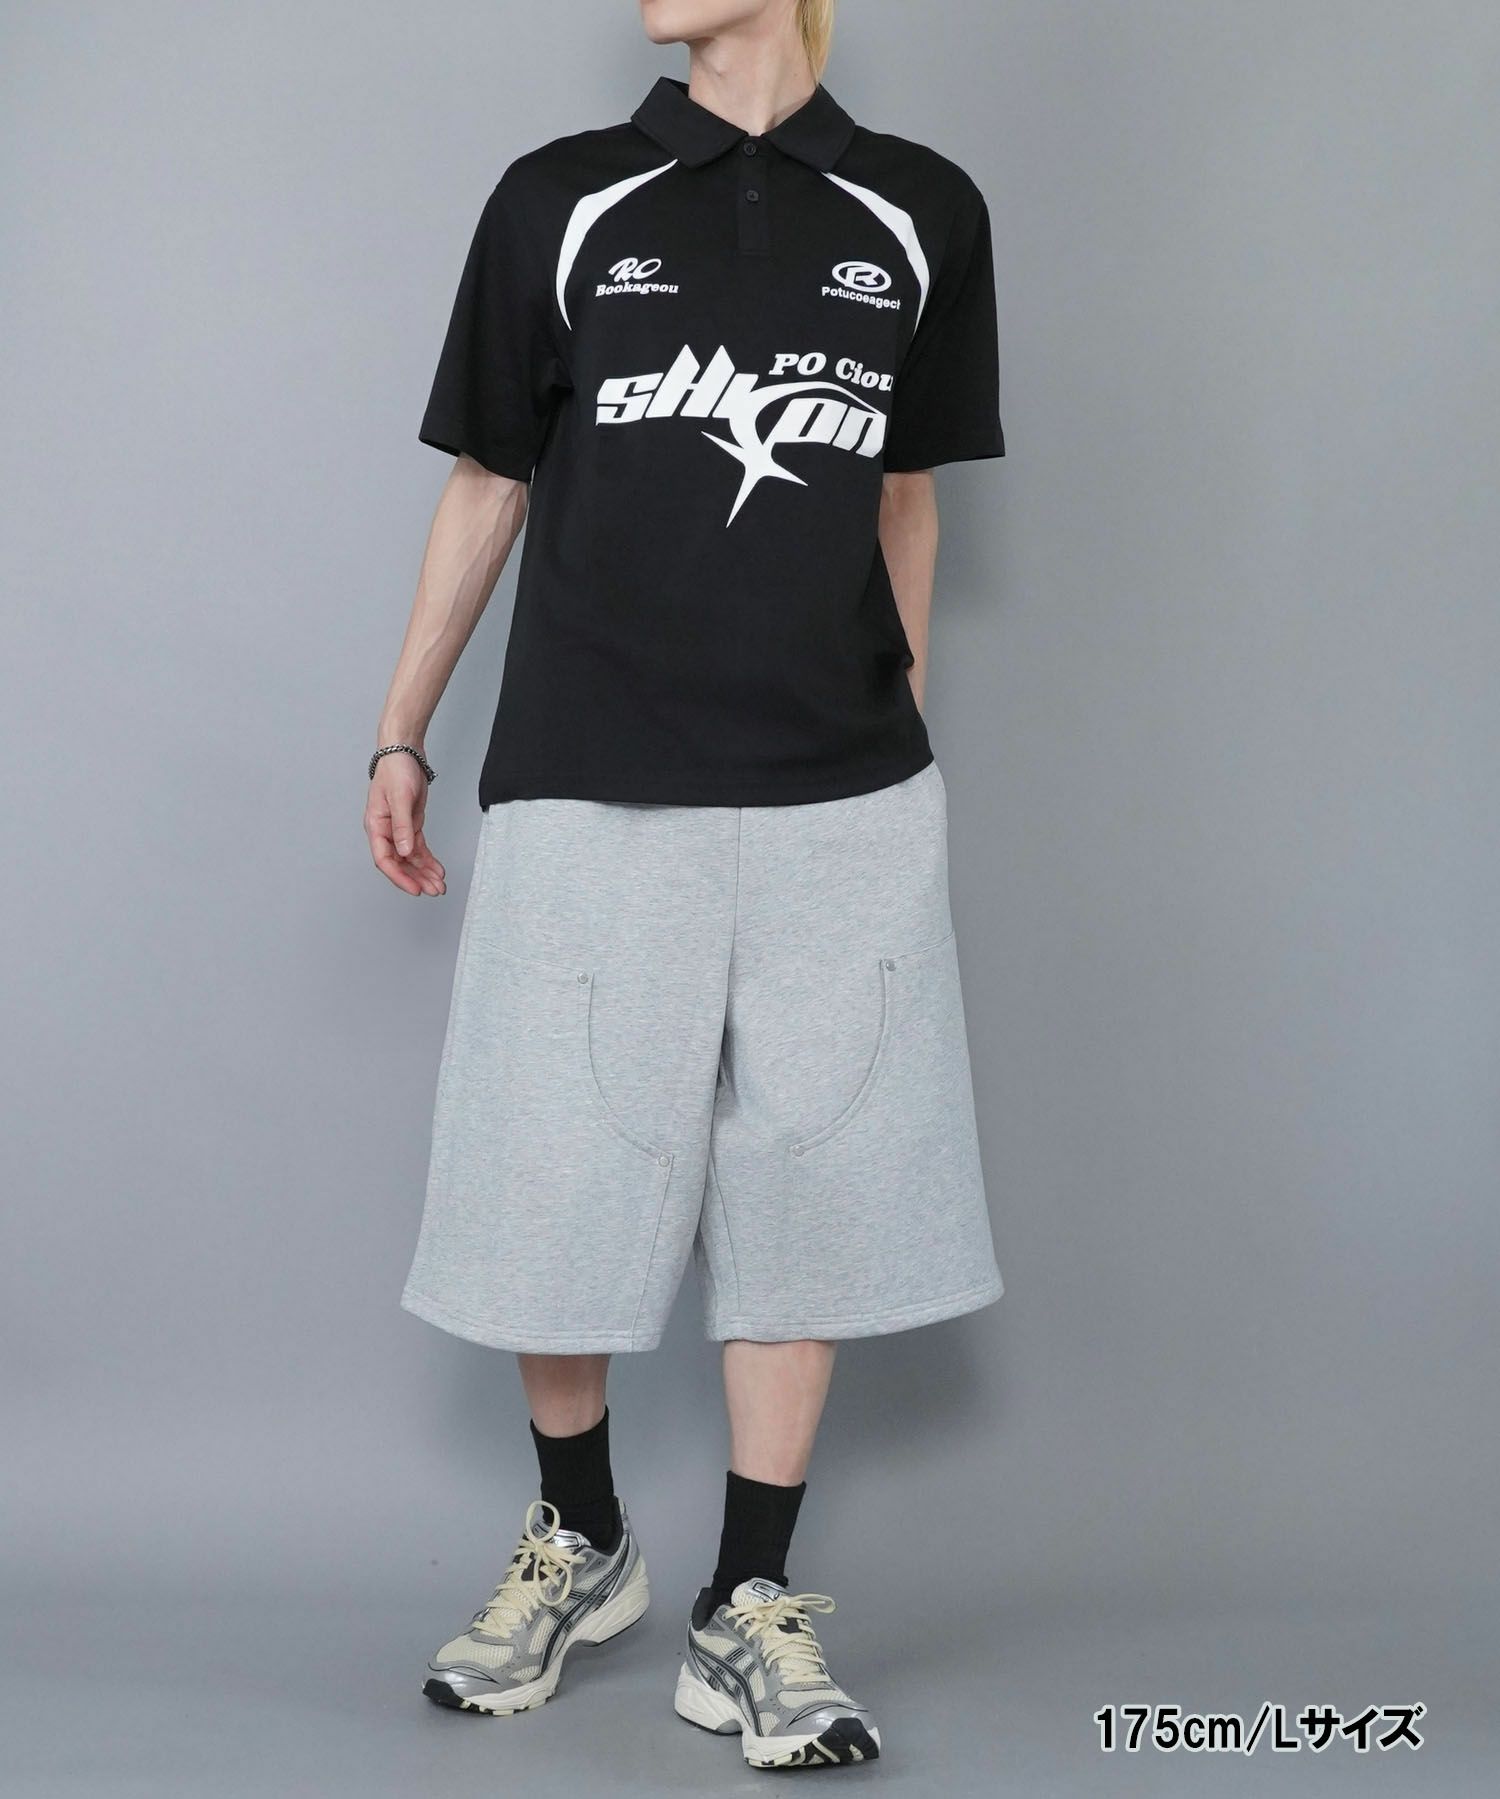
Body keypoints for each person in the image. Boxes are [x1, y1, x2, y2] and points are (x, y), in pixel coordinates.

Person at [367, 0, 1005, 1770]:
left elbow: (906, 494)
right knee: (549, 1168)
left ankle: (750, 1604)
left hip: (839, 797)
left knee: (813, 1180)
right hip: (589, 768)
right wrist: (401, 729)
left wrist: (897, 727)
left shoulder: (920, 208)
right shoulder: (561, 198)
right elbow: (488, 476)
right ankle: (581, 1537)